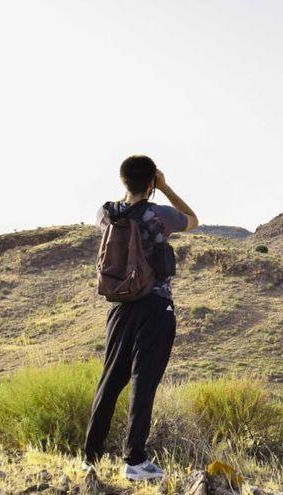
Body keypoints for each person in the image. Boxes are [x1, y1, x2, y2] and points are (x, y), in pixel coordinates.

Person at [83, 155, 198, 481]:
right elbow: (193, 219)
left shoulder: (105, 214)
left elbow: (122, 209)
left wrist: (138, 188)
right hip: (154, 306)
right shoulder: (158, 214)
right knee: (143, 382)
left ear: (123, 181)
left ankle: (89, 457)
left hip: (119, 307)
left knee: (109, 380)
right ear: (151, 182)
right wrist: (164, 187)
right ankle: (134, 460)